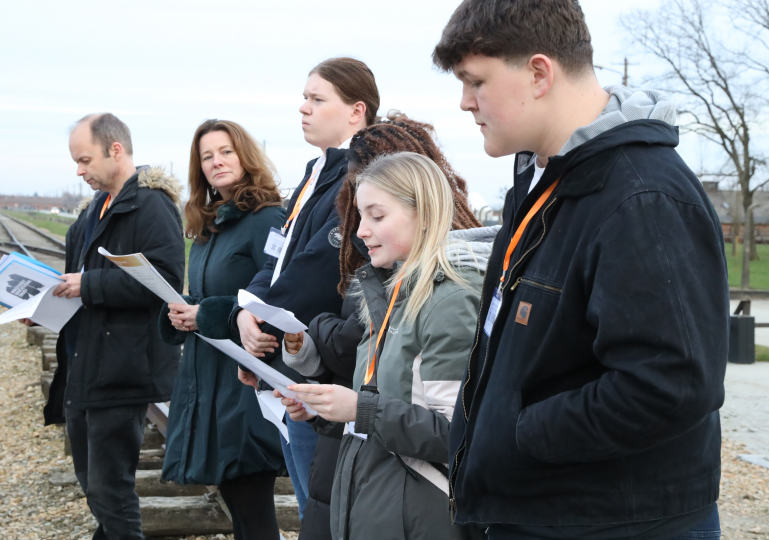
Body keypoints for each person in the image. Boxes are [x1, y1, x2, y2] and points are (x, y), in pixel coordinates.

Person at [432, 1, 728, 540]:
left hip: (608, 523)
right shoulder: (545, 181)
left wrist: (520, 434)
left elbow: (670, 385)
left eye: (476, 81)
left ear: (539, 73)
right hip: (538, 512)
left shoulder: (643, 196)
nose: (464, 102)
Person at [279, 113, 485, 540]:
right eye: (359, 216)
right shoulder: (387, 295)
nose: (361, 231)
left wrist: (358, 408)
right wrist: (326, 411)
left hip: (418, 515)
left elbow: (457, 434)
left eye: (376, 215)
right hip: (383, 506)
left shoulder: (449, 299)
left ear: (423, 214)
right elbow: (385, 408)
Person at [231, 57, 380, 522]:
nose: (303, 108)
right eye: (304, 98)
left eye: (317, 99)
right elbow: (277, 258)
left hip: (321, 371)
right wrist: (245, 313)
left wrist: (259, 326)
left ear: (356, 111)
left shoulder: (359, 174)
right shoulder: (316, 172)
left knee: (322, 510)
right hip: (290, 365)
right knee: (308, 501)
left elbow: (316, 273)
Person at [43, 113, 185, 540]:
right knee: (96, 487)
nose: (79, 170)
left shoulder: (151, 204)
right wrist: (45, 303)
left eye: (85, 159)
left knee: (110, 489)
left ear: (116, 150)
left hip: (122, 368)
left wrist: (89, 284)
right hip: (86, 364)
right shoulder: (93, 211)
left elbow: (166, 281)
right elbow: (78, 285)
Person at [156, 119, 286, 540]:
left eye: (226, 151)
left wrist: (205, 313)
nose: (217, 162)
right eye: (207, 156)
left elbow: (277, 297)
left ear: (245, 156)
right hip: (209, 378)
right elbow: (210, 294)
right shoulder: (210, 226)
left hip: (245, 378)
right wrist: (183, 312)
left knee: (252, 500)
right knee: (239, 503)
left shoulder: (267, 218)